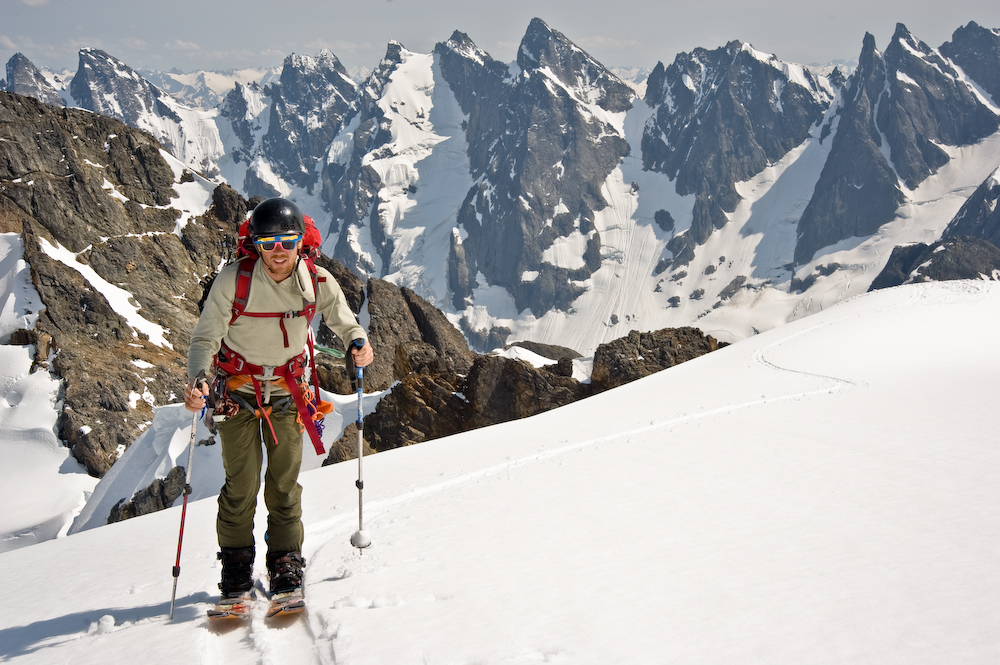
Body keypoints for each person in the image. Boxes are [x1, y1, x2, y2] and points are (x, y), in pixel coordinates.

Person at [184, 197, 373, 600]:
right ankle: (236, 566)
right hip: (237, 392)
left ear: (299, 242)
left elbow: (344, 321)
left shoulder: (317, 281)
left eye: (287, 242)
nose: (278, 252)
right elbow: (205, 337)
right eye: (269, 243)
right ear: (256, 244)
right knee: (241, 485)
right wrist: (200, 379)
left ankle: (285, 561)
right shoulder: (234, 280)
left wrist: (358, 342)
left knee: (284, 484)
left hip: (289, 392)